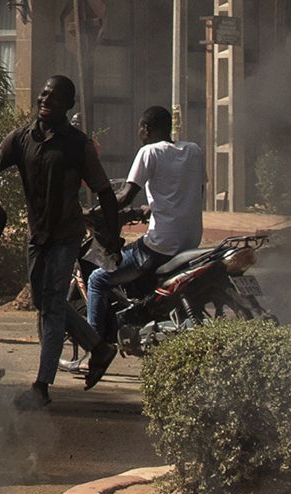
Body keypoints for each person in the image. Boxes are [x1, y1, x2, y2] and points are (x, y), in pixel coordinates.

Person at [0, 74, 120, 408]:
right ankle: (99, 347)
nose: (45, 101)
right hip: (37, 236)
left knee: (54, 304)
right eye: (43, 95)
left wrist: (112, 238)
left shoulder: (77, 145)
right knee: (45, 304)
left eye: (54, 98)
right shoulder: (22, 139)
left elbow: (104, 191)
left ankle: (42, 387)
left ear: (68, 105)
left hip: (65, 236)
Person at [78, 105, 207, 389]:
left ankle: (96, 351)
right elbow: (195, 191)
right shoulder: (194, 150)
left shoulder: (149, 152)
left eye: (140, 127)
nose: (138, 133)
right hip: (190, 241)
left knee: (99, 279)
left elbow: (123, 196)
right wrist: (153, 207)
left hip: (161, 244)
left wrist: (96, 212)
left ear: (147, 128)